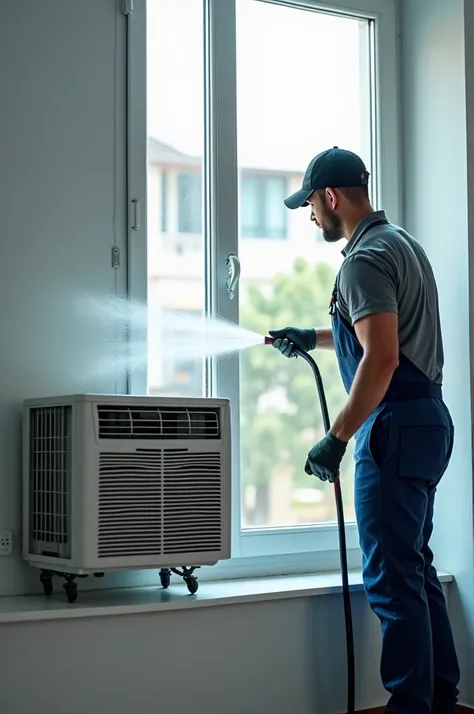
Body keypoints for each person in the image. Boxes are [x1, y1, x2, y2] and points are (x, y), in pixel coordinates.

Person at [269, 147, 460, 714]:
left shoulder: (362, 260)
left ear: (330, 197)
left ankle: (409, 706)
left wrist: (337, 436)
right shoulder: (402, 245)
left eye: (309, 205)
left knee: (391, 583)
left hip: (392, 427)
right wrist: (316, 333)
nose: (309, 217)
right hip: (427, 421)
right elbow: (381, 331)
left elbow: (380, 359)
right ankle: (440, 700)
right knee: (416, 572)